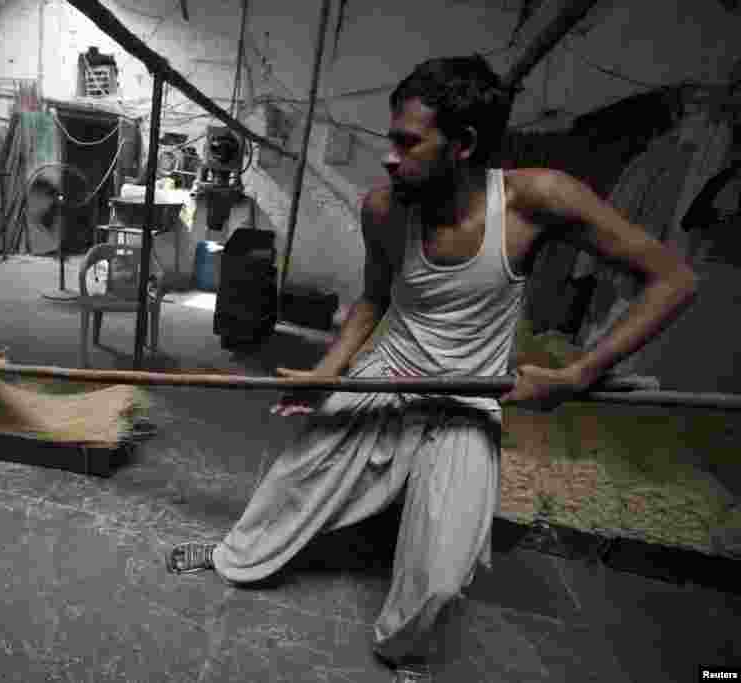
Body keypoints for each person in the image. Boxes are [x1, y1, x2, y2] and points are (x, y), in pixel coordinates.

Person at [166, 55, 699, 681]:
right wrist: (328, 374)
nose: (389, 156)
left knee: (443, 577)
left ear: (464, 144)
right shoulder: (384, 210)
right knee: (296, 477)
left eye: (406, 141)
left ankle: (403, 649)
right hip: (391, 371)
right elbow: (372, 302)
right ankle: (237, 556)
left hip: (469, 397)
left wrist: (579, 373)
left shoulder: (538, 199)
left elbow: (673, 279)